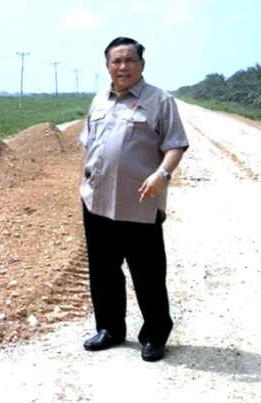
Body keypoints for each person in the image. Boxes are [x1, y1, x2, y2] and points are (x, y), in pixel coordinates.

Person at [79, 36, 189, 362]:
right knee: (103, 270)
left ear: (142, 64)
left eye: (130, 60)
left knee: (148, 273)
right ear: (107, 66)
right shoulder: (99, 101)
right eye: (117, 61)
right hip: (97, 201)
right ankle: (109, 329)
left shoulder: (160, 101)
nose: (123, 66)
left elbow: (175, 144)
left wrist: (162, 175)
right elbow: (89, 145)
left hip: (140, 201)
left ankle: (155, 335)